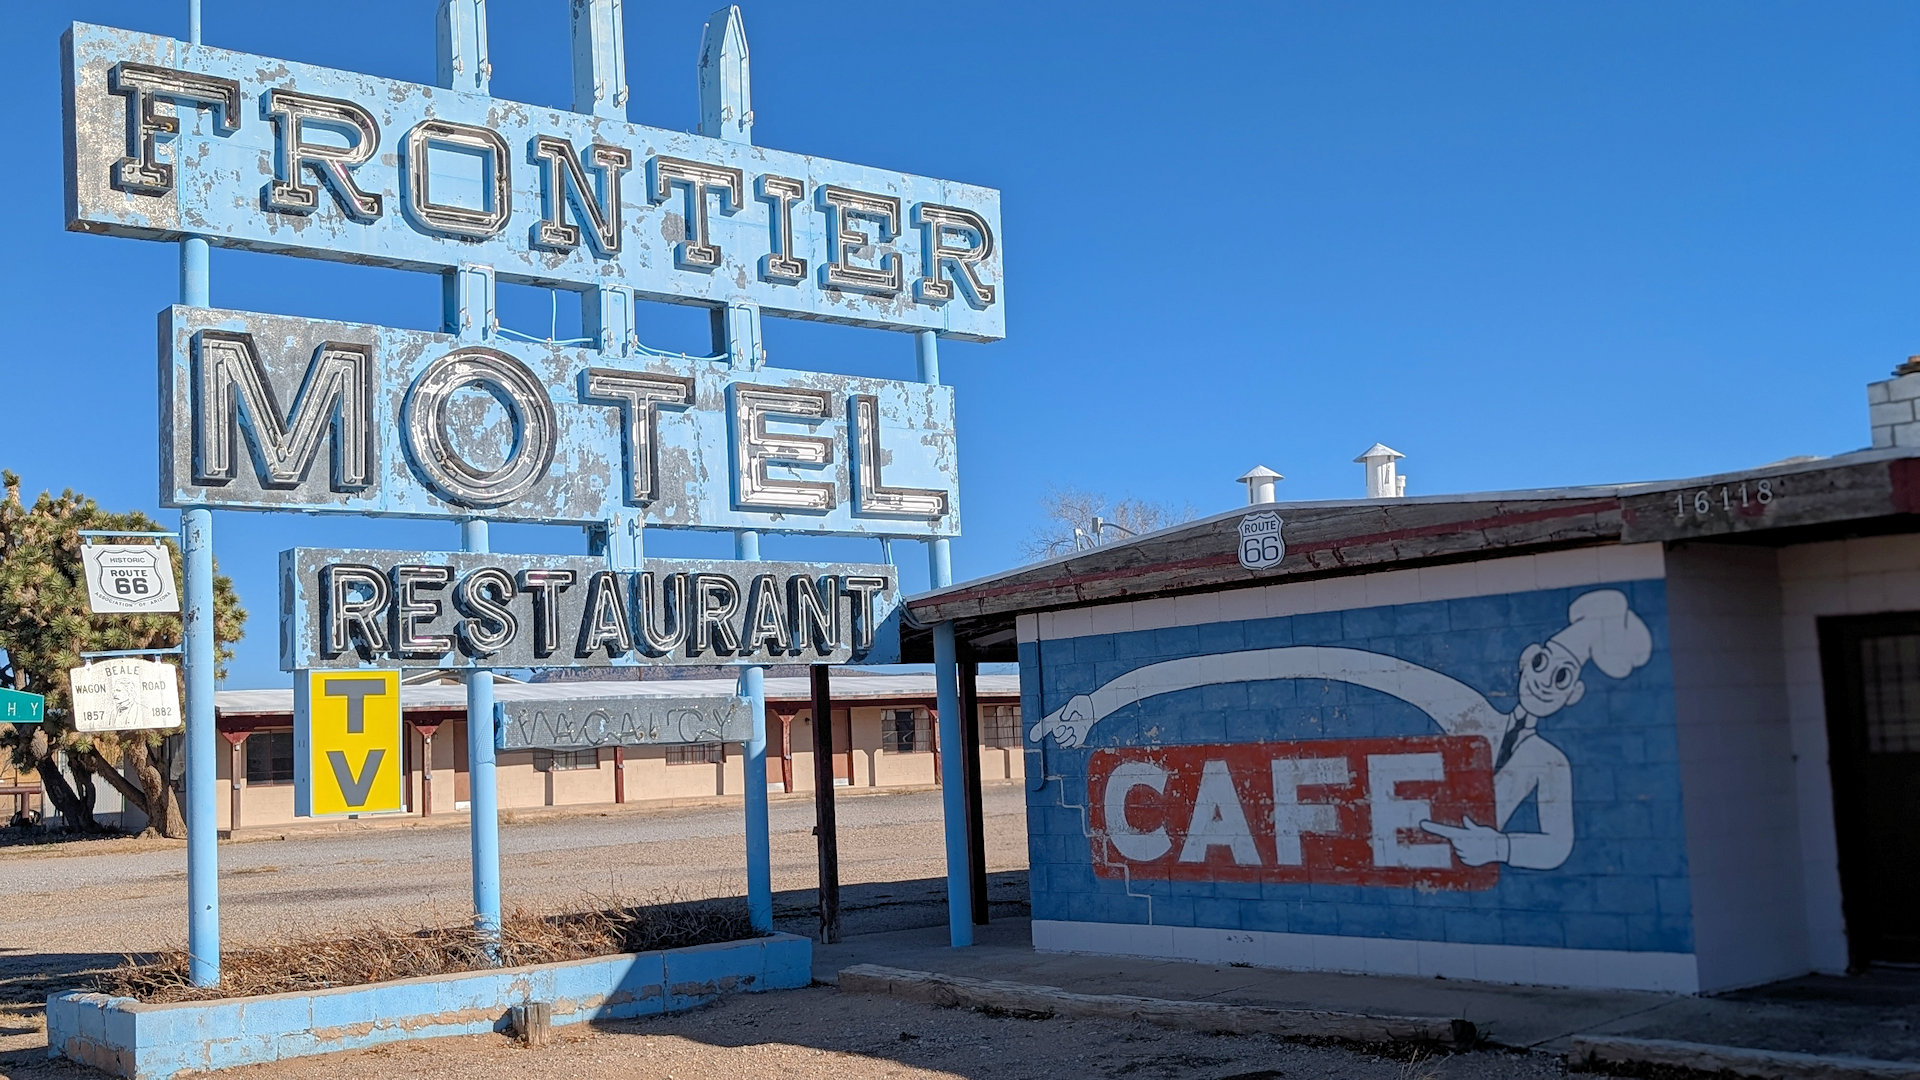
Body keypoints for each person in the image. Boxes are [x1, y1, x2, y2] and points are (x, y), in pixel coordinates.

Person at [1029, 589, 1652, 871]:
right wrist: (1100, 700)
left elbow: (1559, 845)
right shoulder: (1464, 707)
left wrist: (1503, 848)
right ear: (1525, 659)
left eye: (1561, 673)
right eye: (1540, 659)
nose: (1544, 676)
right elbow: (1307, 662)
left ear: (1574, 691)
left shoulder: (1551, 765)